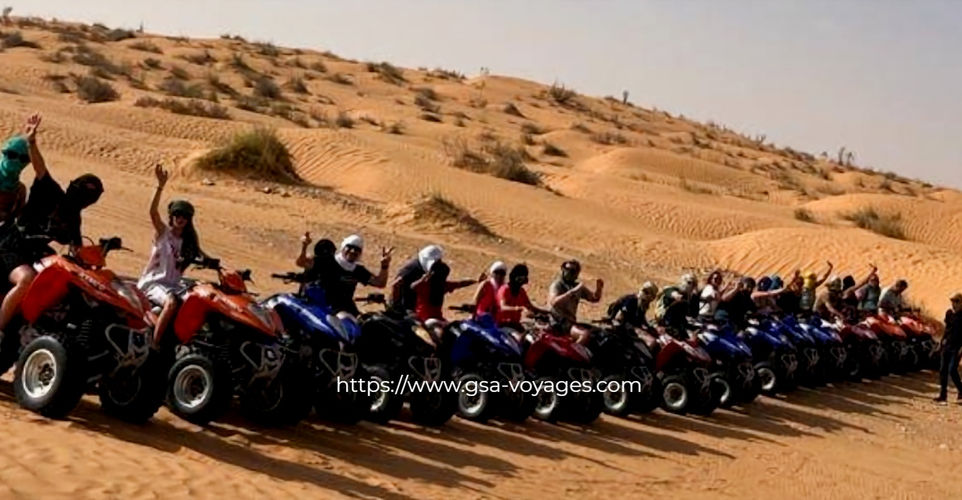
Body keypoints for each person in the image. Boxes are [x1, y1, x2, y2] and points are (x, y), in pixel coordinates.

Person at [0, 115, 103, 341]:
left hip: (38, 253)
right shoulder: (50, 191)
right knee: (26, 278)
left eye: (90, 196)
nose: (84, 197)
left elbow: (78, 251)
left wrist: (99, 255)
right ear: (72, 187)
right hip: (13, 245)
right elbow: (40, 168)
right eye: (82, 191)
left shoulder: (74, 219)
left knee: (62, 277)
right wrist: (31, 142)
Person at [137, 165, 207, 346]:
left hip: (174, 286)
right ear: (171, 216)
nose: (180, 218)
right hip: (153, 284)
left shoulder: (189, 242)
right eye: (177, 214)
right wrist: (159, 186)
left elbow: (205, 257)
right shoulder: (163, 233)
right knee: (172, 302)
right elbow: (152, 212)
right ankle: (156, 343)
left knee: (196, 302)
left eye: (184, 215)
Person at [0, 113, 43, 338]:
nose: (13, 160)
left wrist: (31, 141)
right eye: (9, 154)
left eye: (20, 158)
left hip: (7, 242)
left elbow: (18, 220)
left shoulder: (19, 190)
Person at [306, 234, 392, 318]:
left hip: (347, 308)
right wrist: (304, 246)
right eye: (350, 247)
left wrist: (384, 266)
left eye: (357, 249)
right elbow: (302, 263)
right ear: (343, 247)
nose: (352, 251)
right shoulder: (329, 261)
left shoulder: (358, 270)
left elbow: (380, 283)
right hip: (326, 307)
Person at [410, 261, 482, 342]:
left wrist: (476, 281)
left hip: (438, 319)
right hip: (423, 320)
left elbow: (460, 283)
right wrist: (423, 279)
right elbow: (413, 287)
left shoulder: (442, 285)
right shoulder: (426, 285)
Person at [547, 260, 603, 345]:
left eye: (572, 271)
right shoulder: (557, 285)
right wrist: (571, 292)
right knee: (584, 335)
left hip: (570, 321)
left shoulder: (577, 286)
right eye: (566, 269)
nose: (568, 272)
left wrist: (599, 289)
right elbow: (554, 302)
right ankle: (571, 353)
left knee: (596, 333)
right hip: (558, 321)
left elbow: (594, 298)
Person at [496, 263, 548, 339]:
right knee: (518, 339)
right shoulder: (505, 289)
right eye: (522, 276)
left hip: (516, 325)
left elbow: (531, 307)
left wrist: (548, 312)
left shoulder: (521, 291)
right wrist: (518, 308)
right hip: (502, 325)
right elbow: (502, 307)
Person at [390, 244, 443, 313]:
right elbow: (395, 285)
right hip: (404, 308)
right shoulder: (411, 269)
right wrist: (395, 306)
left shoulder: (423, 269)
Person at [934, 292, 962, 403]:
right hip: (947, 345)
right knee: (942, 370)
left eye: (957, 302)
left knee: (952, 370)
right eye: (953, 301)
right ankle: (943, 395)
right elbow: (947, 330)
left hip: (957, 347)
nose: (954, 304)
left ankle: (961, 390)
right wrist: (941, 343)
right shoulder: (949, 313)